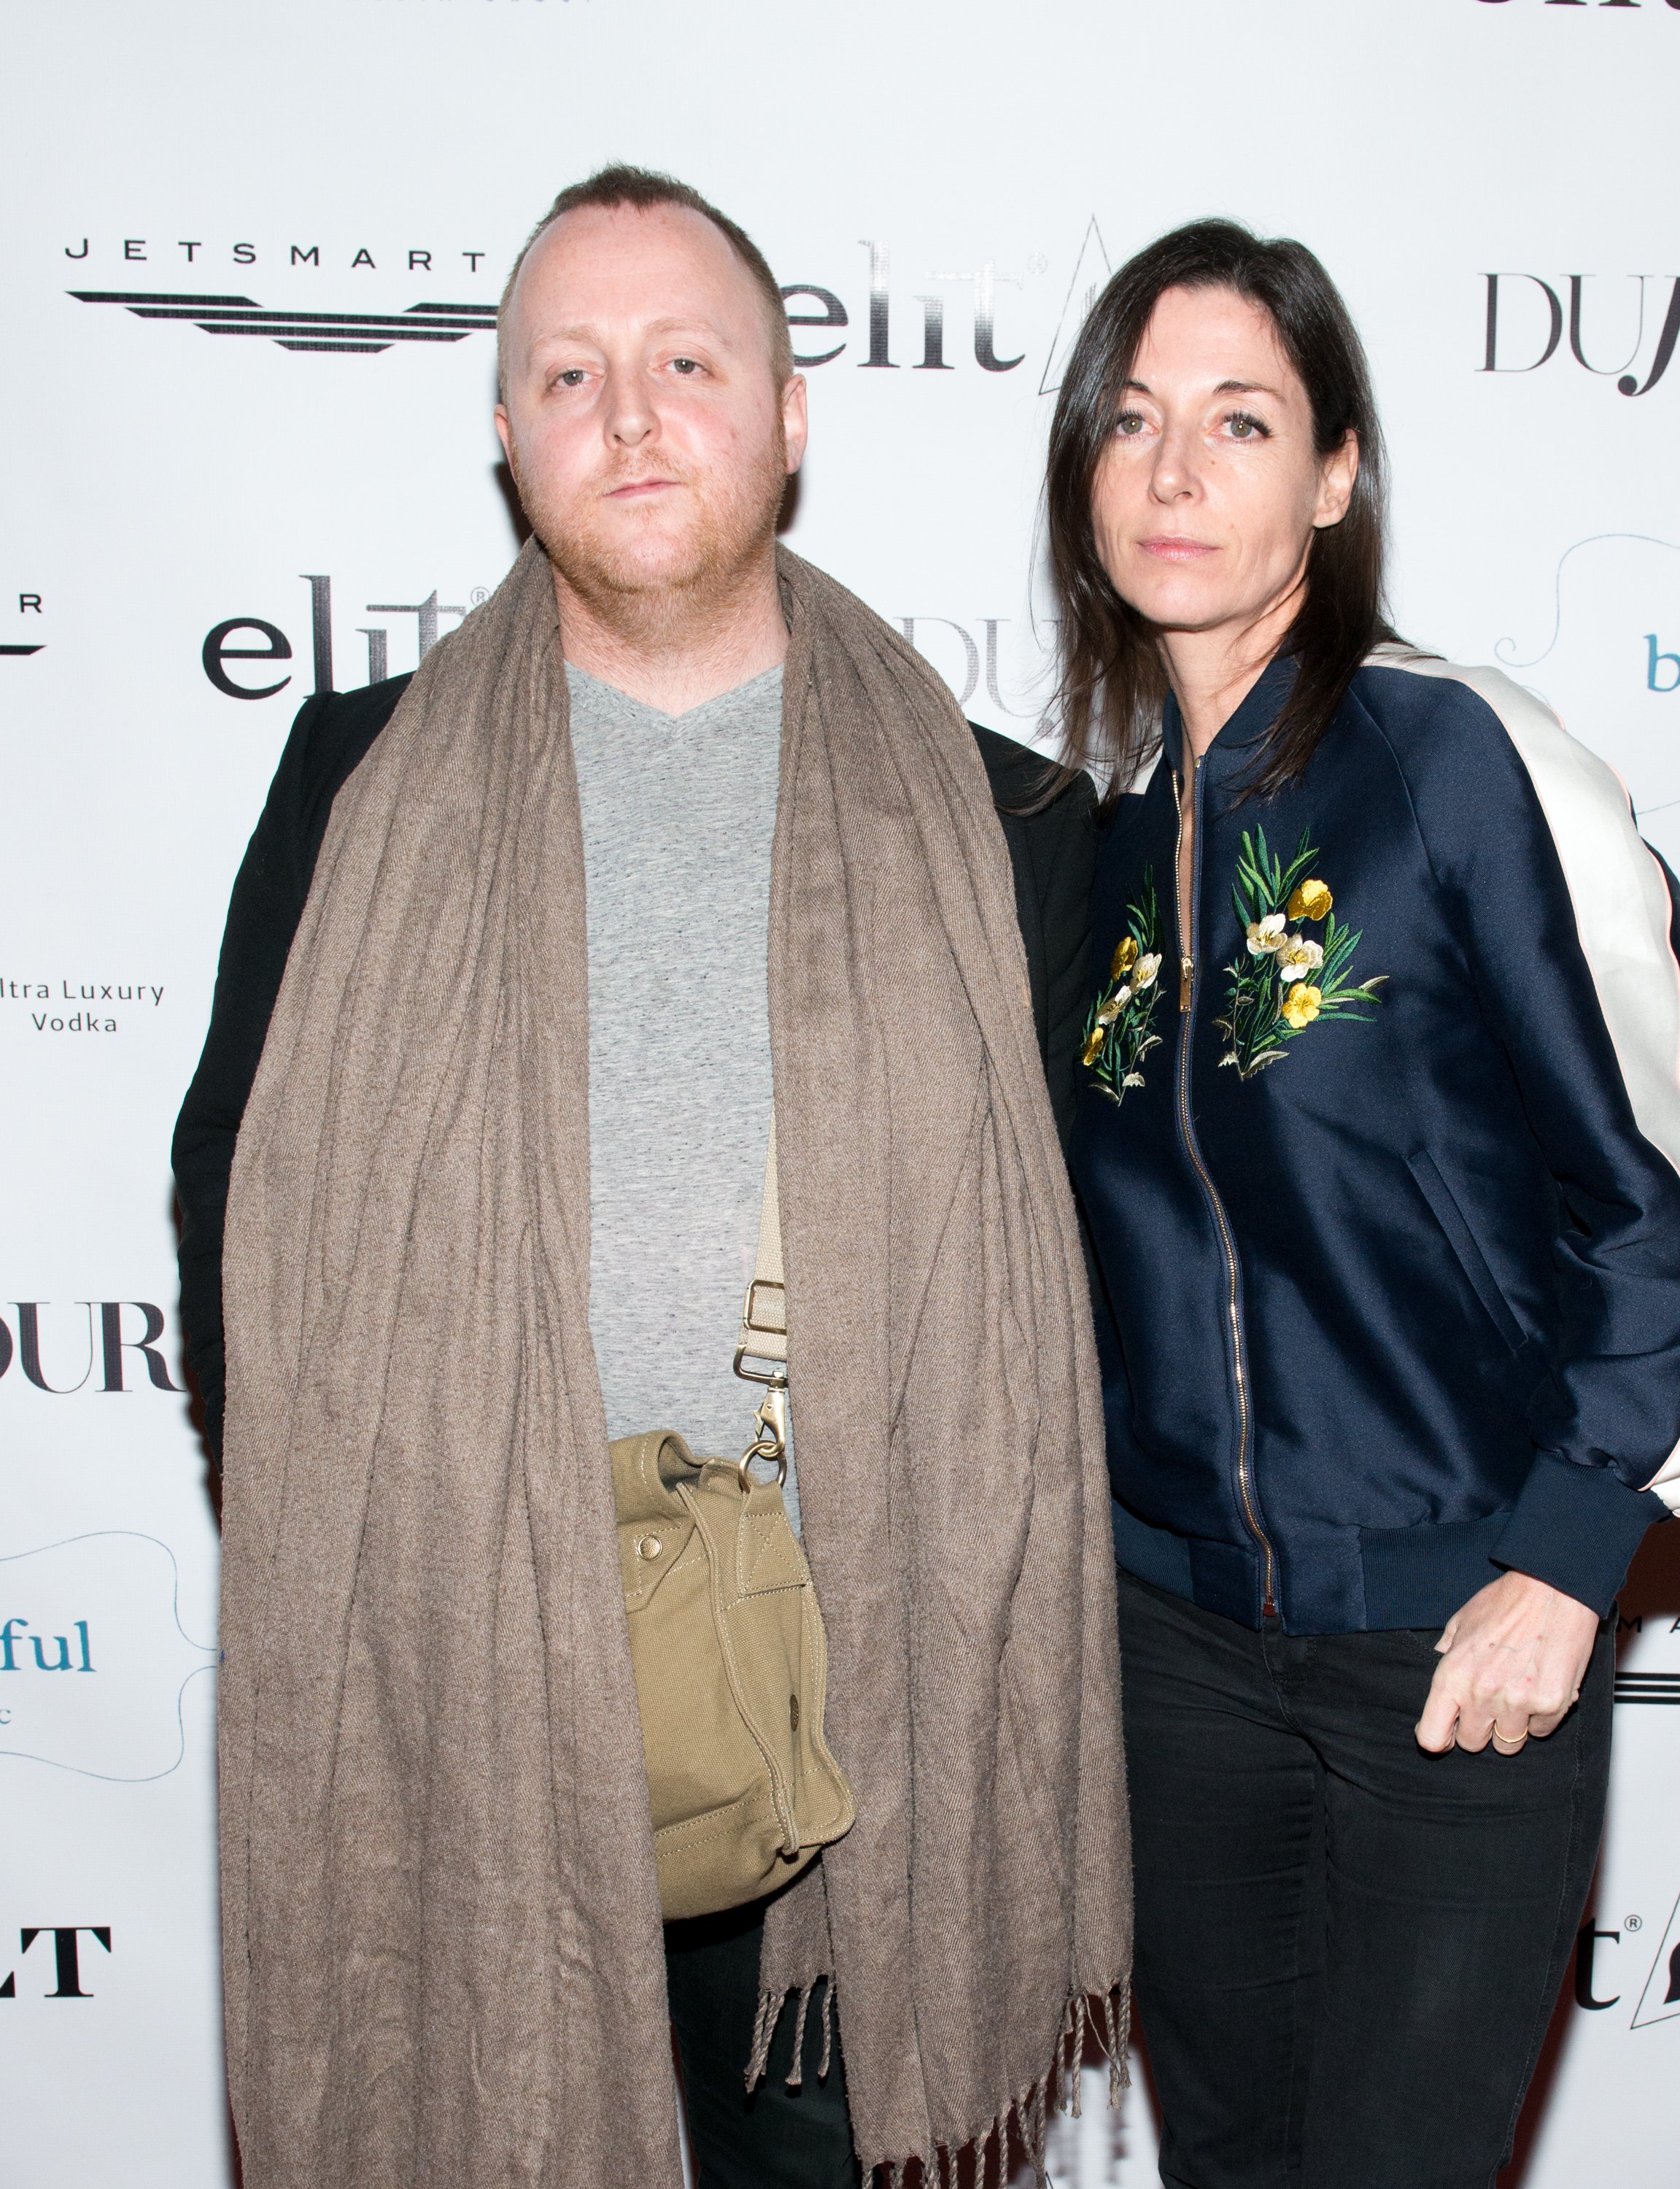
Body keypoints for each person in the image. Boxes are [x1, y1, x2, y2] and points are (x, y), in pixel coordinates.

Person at [172, 163, 1131, 2189]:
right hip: (463, 1705)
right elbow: (226, 1188)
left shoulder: (1008, 823)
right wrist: (389, 1537)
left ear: (790, 416)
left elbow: (1086, 1282)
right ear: (506, 435)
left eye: (687, 362)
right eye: (570, 372)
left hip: (865, 1734)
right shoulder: (354, 784)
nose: (629, 415)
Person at [1046, 220, 1680, 2189]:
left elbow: (1665, 1217)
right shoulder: (1107, 853)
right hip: (1179, 1653)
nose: (1176, 472)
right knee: (1227, 2164)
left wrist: (1566, 1553)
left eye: (1240, 420)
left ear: (1337, 474)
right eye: (1130, 422)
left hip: (1452, 1642)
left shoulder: (1459, 761)